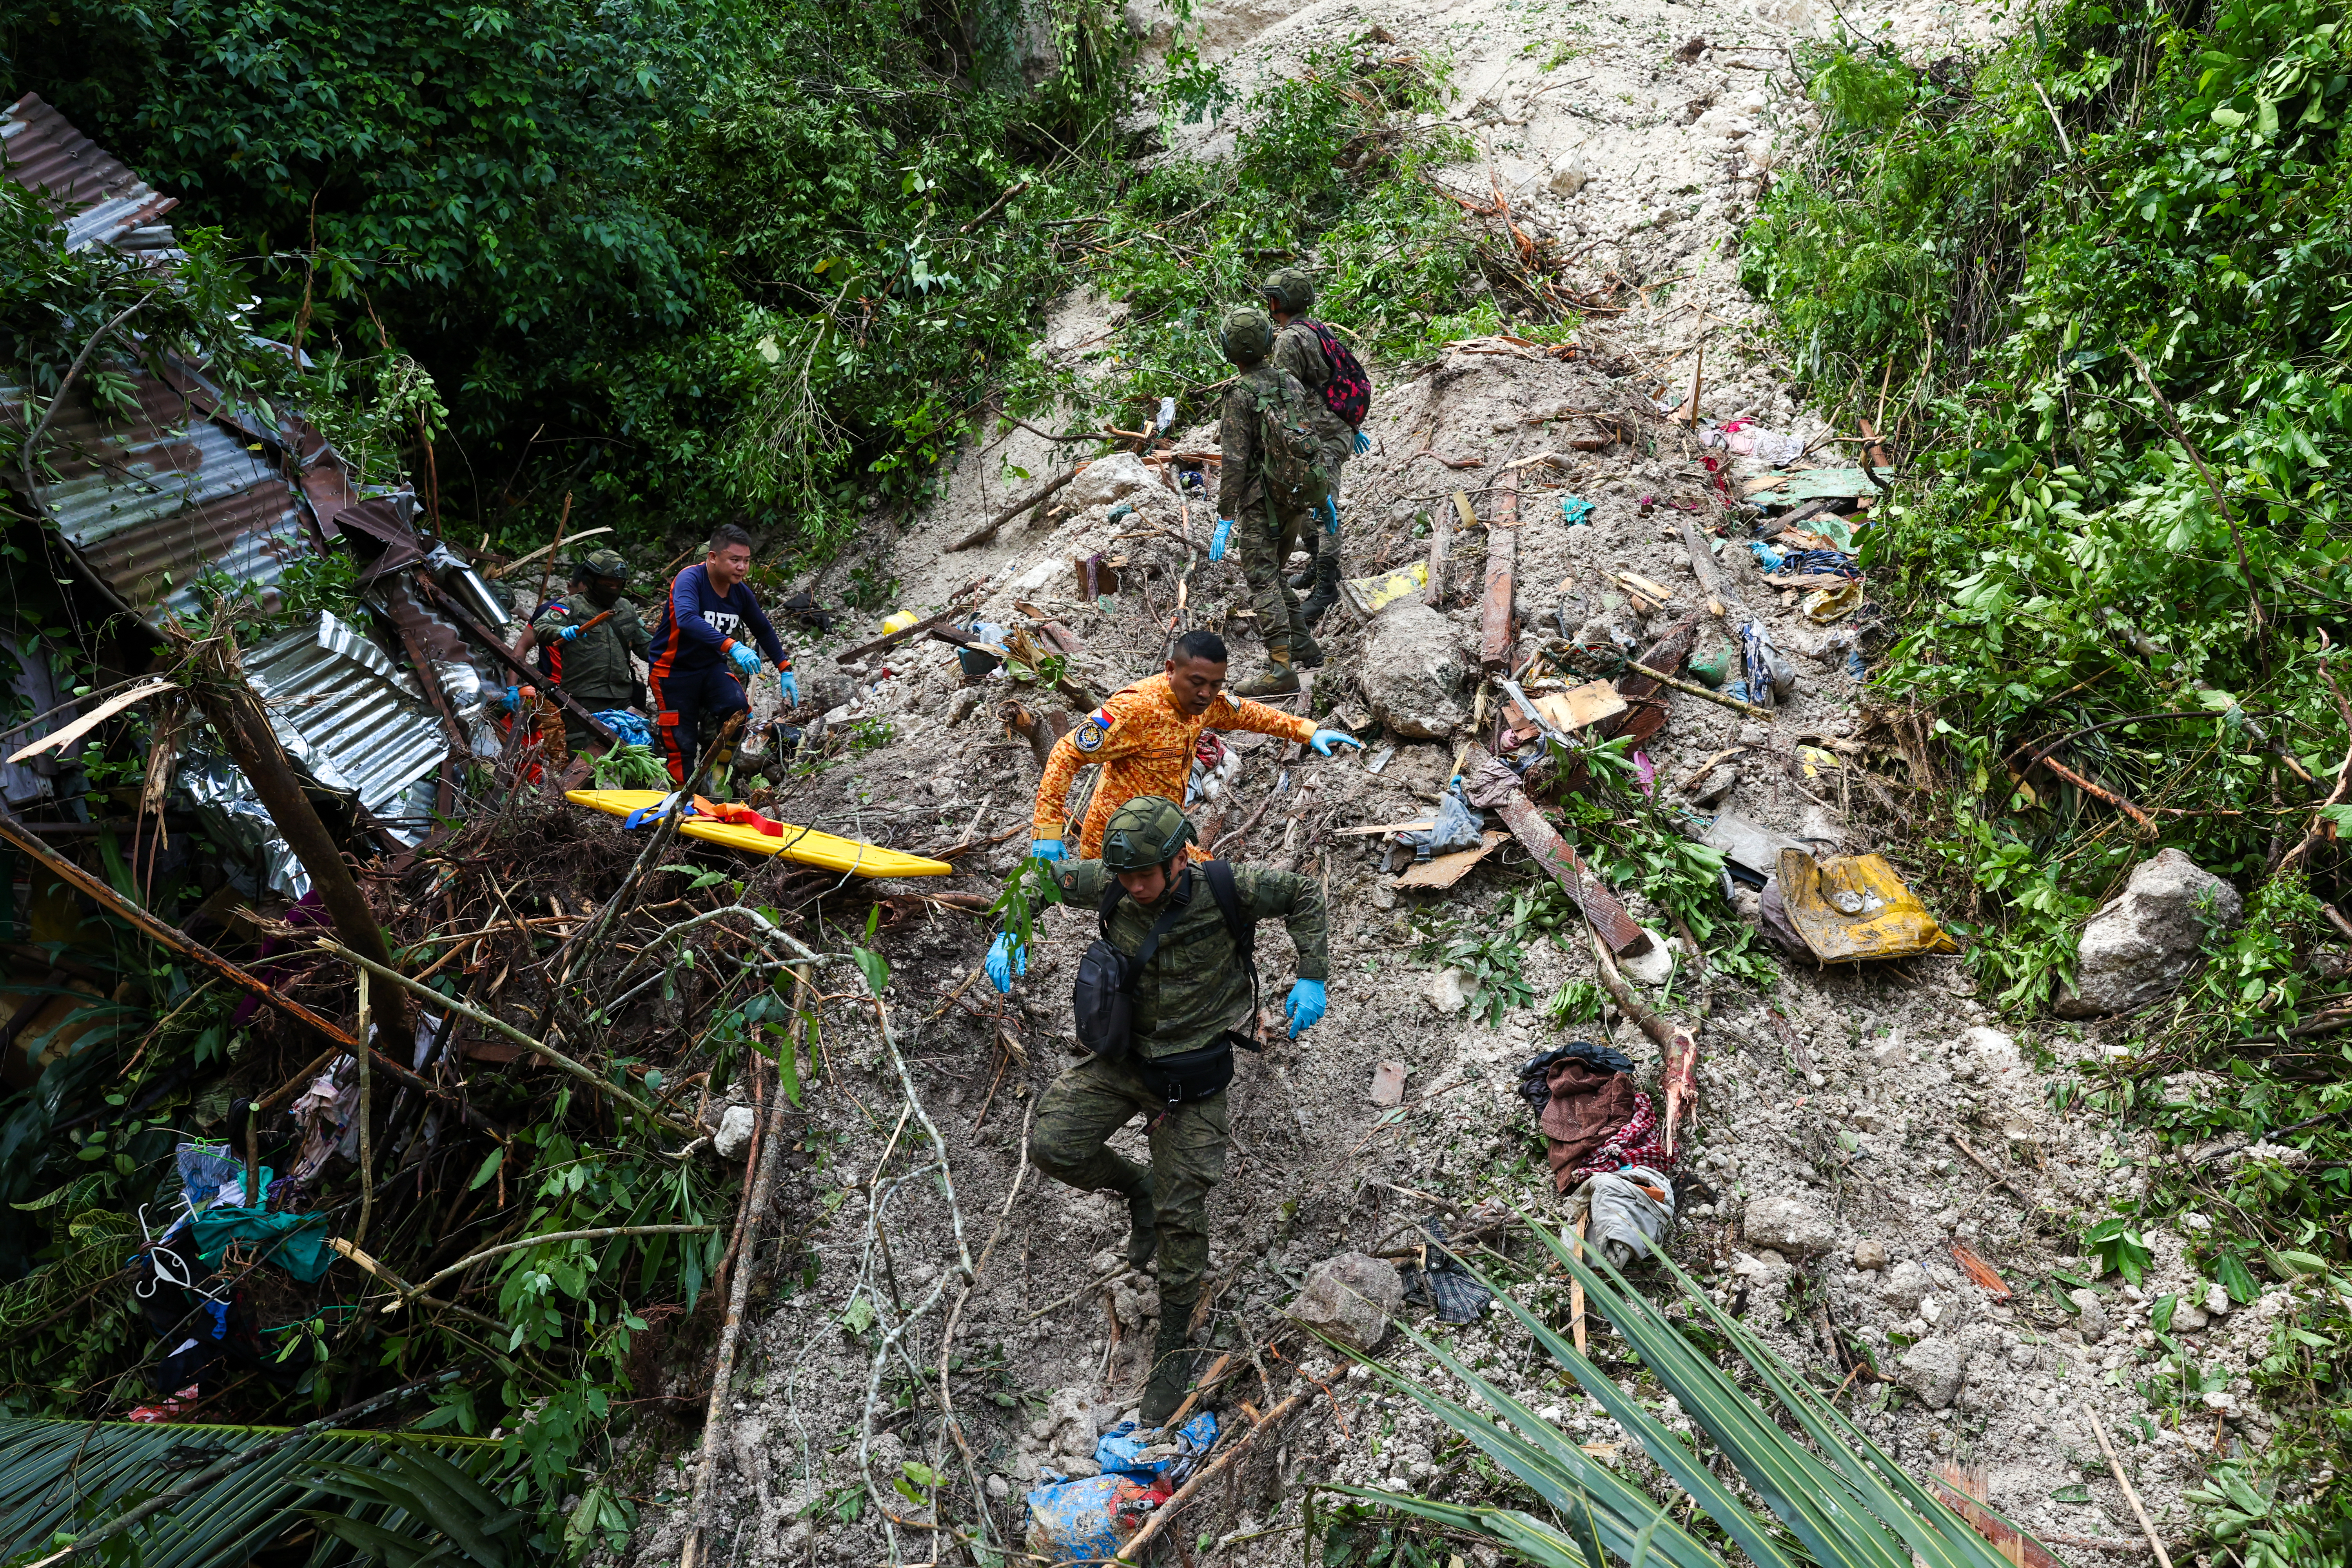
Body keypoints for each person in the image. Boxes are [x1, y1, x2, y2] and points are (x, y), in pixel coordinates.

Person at [987, 795, 1329, 1423]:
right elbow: (1041, 879)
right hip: (1123, 1061)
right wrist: (1013, 928)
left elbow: (1304, 894)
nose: (1135, 888)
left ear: (1178, 861)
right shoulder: (1112, 880)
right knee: (1054, 1144)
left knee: (1182, 1222)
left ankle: (1172, 1351)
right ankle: (1138, 1187)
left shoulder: (1230, 887)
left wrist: (1312, 971)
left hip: (1192, 1079)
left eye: (1146, 875)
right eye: (1125, 878)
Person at [1027, 629, 1361, 863]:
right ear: (1171, 669)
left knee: (1211, 886)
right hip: (1117, 841)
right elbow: (1066, 753)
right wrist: (1047, 830)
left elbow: (1246, 712)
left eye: (1215, 685)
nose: (1206, 694)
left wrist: (1306, 730)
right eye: (1197, 683)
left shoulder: (1204, 701)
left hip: (1164, 831)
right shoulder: (1133, 710)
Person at [1209, 305, 1330, 697]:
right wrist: (1322, 496)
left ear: (1230, 350)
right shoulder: (1289, 382)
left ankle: (1280, 669)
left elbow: (1234, 462)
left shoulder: (1238, 395)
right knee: (1275, 574)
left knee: (1261, 579)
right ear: (1267, 343)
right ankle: (1303, 645)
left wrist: (1225, 516)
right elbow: (1311, 439)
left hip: (1261, 505)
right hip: (1295, 497)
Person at [646, 523, 800, 784]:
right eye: (735, 560)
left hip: (710, 667)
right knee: (681, 741)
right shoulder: (690, 579)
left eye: (747, 561)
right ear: (713, 558)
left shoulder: (739, 592)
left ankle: (719, 776)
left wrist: (785, 668)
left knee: (737, 709)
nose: (742, 567)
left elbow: (762, 629)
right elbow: (686, 619)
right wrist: (733, 646)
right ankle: (680, 802)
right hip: (673, 670)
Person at [1260, 267, 1367, 627]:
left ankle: (1327, 586)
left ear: (1280, 302)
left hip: (1320, 434)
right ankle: (1314, 567)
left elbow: (1287, 395)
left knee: (1325, 506)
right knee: (1306, 499)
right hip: (1332, 427)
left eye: (1272, 299)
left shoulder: (1290, 340)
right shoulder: (1317, 328)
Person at [524, 548, 652, 748]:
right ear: (592, 580)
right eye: (607, 584)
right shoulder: (571, 605)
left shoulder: (625, 607)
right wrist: (562, 631)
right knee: (584, 762)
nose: (612, 589)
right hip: (582, 699)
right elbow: (542, 628)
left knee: (636, 756)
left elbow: (646, 645)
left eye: (617, 585)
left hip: (622, 697)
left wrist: (673, 651)